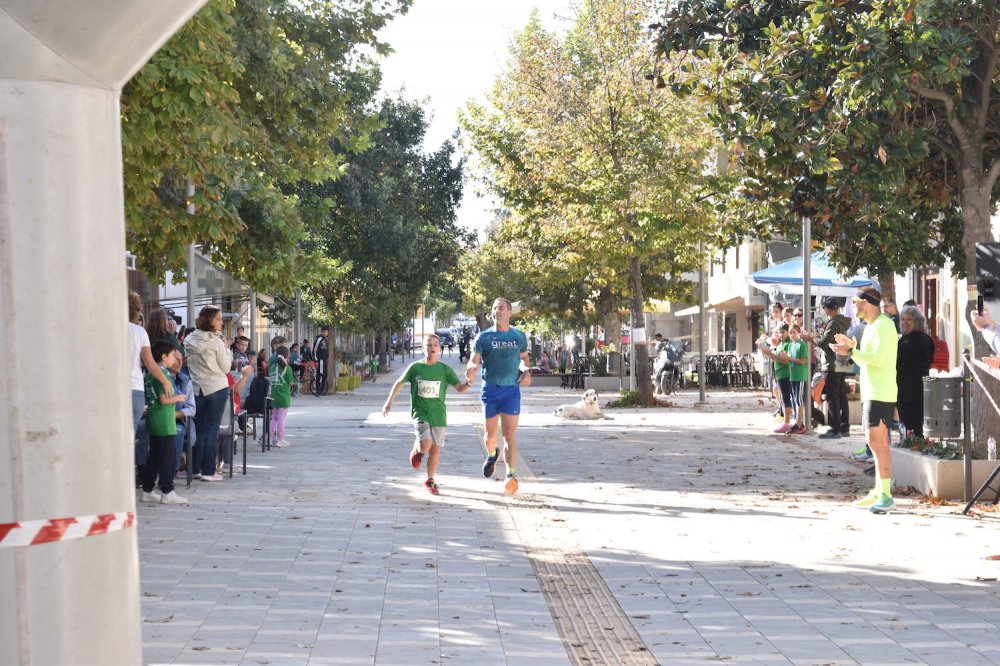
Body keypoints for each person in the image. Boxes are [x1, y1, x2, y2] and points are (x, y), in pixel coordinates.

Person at [833, 287, 898, 514]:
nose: (852, 306)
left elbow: (879, 359)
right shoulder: (872, 326)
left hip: (881, 392)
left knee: (877, 443)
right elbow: (864, 362)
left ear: (866, 302)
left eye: (855, 301)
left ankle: (886, 495)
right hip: (873, 392)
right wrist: (850, 351)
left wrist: (852, 351)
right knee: (874, 443)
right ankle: (879, 491)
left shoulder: (884, 325)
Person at [382, 335, 472, 494]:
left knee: (435, 449)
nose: (432, 347)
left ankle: (430, 480)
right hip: (420, 413)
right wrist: (389, 402)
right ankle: (418, 451)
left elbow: (460, 389)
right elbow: (399, 383)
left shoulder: (444, 369)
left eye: (436, 344)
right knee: (426, 445)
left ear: (439, 348)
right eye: (429, 344)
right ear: (423, 348)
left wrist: (469, 382)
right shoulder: (415, 367)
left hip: (438, 415)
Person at [466, 298, 532, 496]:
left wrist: (527, 372)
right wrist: (471, 368)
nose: (497, 311)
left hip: (511, 390)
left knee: (510, 435)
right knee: (490, 435)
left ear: (510, 312)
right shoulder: (483, 337)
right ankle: (492, 454)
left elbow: (524, 359)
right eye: (494, 308)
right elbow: (474, 361)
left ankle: (511, 475)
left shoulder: (519, 336)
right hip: (491, 390)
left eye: (501, 308)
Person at [184, 306, 233, 482]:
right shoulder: (216, 342)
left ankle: (195, 468)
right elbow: (226, 367)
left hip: (197, 388)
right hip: (217, 387)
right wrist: (227, 349)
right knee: (212, 430)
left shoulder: (189, 339)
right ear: (210, 321)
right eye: (219, 319)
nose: (221, 322)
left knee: (198, 429)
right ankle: (209, 471)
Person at [139, 342, 188, 505]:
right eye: (173, 356)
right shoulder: (163, 375)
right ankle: (167, 491)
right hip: (165, 420)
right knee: (167, 457)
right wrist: (179, 398)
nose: (175, 359)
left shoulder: (150, 374)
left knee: (153, 456)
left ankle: (147, 490)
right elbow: (164, 399)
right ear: (164, 357)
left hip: (154, 418)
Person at [807, 297, 852, 439]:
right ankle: (844, 427)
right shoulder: (843, 322)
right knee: (841, 395)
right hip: (840, 362)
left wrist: (811, 339)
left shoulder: (833, 323)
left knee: (833, 397)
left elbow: (824, 343)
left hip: (832, 364)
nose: (824, 312)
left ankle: (835, 428)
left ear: (829, 308)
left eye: (825, 308)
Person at [128, 292, 172, 436]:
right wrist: (165, 381)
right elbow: (150, 363)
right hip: (134, 388)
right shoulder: (139, 332)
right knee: (130, 439)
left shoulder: (107, 330)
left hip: (112, 390)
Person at [896, 305, 935, 438]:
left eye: (909, 320)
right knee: (908, 425)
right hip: (906, 389)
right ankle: (911, 446)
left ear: (917, 321)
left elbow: (898, 355)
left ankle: (914, 449)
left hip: (914, 390)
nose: (905, 322)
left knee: (913, 426)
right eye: (903, 319)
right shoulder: (906, 338)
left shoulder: (918, 338)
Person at [758, 324, 794, 433]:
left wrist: (771, 355)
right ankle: (785, 420)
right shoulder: (780, 344)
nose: (781, 334)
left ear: (788, 332)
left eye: (783, 332)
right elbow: (776, 358)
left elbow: (785, 361)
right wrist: (767, 353)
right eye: (779, 332)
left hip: (786, 374)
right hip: (779, 374)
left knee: (786, 398)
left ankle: (787, 422)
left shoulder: (788, 344)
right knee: (782, 398)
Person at [269, 346, 295, 448]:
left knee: (274, 419)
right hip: (284, 397)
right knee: (281, 419)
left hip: (274, 397)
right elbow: (291, 383)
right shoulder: (287, 368)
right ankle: (280, 439)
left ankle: (270, 438)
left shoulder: (271, 367)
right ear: (287, 356)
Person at [787, 324, 810, 433]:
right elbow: (789, 359)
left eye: (794, 332)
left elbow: (802, 361)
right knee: (794, 399)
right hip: (793, 375)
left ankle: (800, 423)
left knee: (799, 399)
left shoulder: (802, 344)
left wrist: (789, 358)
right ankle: (797, 421)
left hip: (800, 375)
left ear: (798, 333)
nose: (792, 335)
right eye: (790, 332)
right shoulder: (791, 345)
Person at [314, 327, 330, 395]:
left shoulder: (326, 339)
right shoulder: (319, 339)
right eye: (324, 332)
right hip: (320, 360)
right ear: (321, 332)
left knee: (325, 375)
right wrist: (316, 360)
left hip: (325, 359)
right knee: (320, 375)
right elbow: (314, 350)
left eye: (326, 332)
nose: (325, 333)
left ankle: (322, 390)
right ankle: (318, 391)